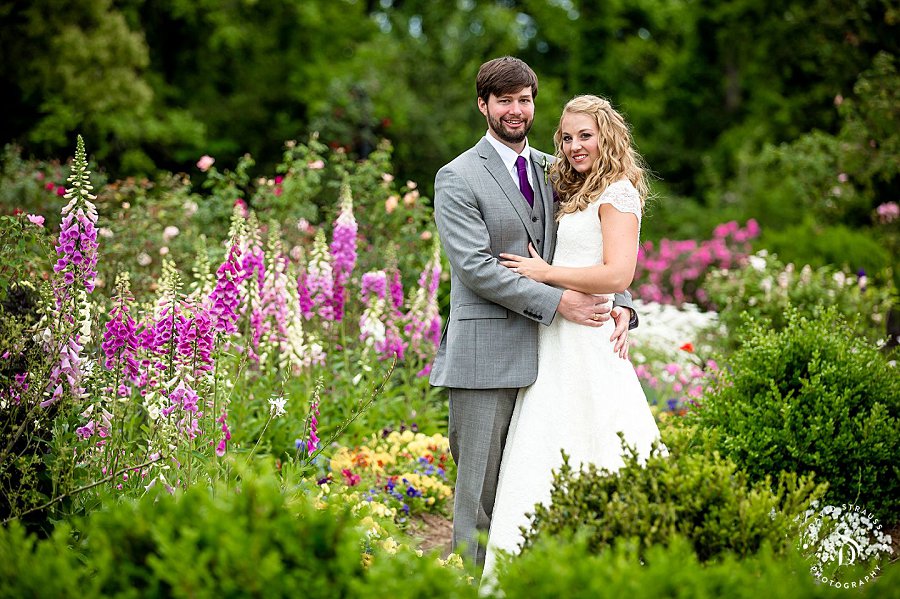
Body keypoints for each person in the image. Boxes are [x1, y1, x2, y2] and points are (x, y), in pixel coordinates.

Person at [429, 57, 638, 568]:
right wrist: (558, 300)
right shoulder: (456, 177)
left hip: (556, 355)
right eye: (504, 100)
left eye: (524, 99)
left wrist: (622, 305)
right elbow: (477, 269)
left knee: (534, 479)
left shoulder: (556, 168)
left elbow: (595, 246)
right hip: (487, 354)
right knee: (479, 492)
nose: (516, 110)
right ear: (483, 105)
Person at [481, 94, 665, 585]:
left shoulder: (619, 192)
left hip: (589, 341)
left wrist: (546, 273)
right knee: (545, 437)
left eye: (585, 135)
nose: (575, 145)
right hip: (556, 335)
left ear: (607, 135)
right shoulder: (571, 186)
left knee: (599, 437)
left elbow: (619, 270)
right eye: (566, 136)